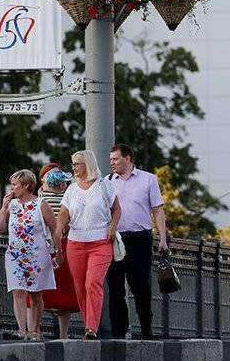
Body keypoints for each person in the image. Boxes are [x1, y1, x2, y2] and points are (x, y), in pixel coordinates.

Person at [56, 150, 120, 340]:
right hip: (75, 243)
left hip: (100, 243)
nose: (74, 167)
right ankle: (88, 325)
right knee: (79, 286)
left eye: (77, 164)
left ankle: (91, 328)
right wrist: (60, 226)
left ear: (88, 164)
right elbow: (64, 213)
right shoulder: (71, 189)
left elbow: (117, 209)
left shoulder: (104, 185)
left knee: (92, 283)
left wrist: (112, 227)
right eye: (73, 164)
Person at [108, 144, 167, 340]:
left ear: (128, 159)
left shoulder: (148, 179)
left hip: (140, 239)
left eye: (116, 159)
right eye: (111, 159)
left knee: (140, 285)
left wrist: (162, 238)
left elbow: (158, 210)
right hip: (116, 239)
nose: (112, 163)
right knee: (115, 286)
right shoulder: (107, 182)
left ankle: (146, 329)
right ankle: (119, 332)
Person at [0, 169, 61, 341]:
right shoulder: (12, 205)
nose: (12, 189)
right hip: (15, 255)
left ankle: (35, 330)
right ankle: (21, 330)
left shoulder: (41, 204)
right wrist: (3, 208)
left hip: (37, 255)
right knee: (17, 291)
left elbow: (54, 228)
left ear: (26, 186)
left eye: (14, 185)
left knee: (35, 294)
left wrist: (58, 251)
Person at [36, 163, 78, 339]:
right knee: (38, 291)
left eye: (59, 173)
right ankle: (35, 330)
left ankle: (63, 334)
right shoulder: (38, 198)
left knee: (64, 290)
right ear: (43, 179)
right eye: (52, 174)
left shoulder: (69, 195)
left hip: (64, 245)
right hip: (43, 247)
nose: (56, 177)